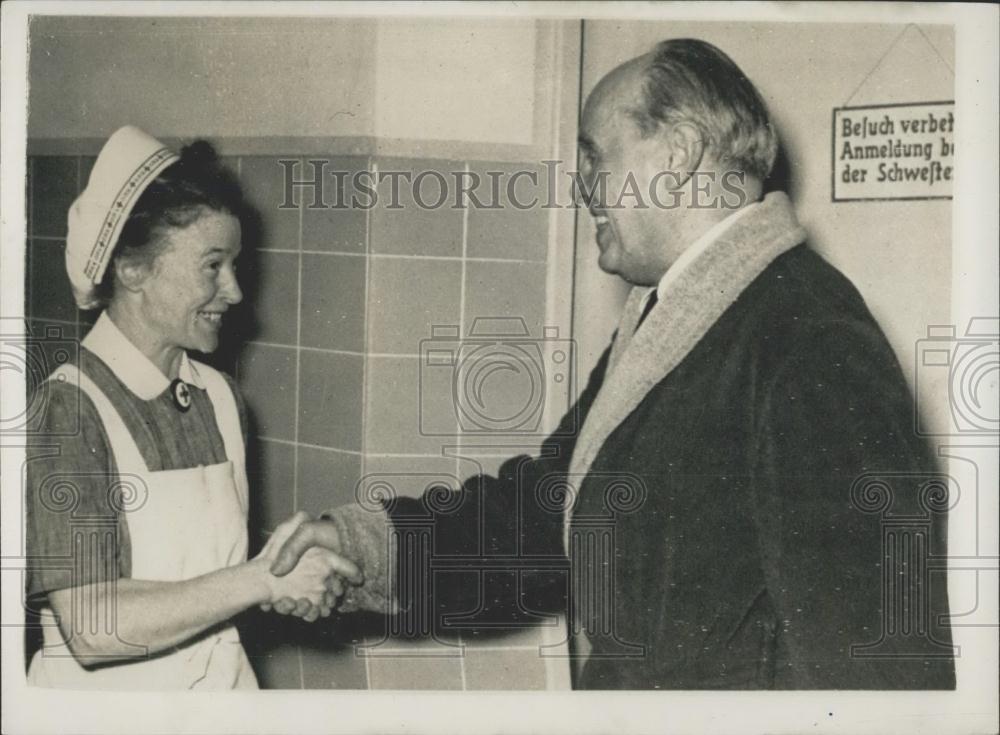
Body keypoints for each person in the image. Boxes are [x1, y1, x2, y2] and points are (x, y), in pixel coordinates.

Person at [268, 39, 955, 689]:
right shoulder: (675, 317)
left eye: (595, 156)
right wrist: (361, 544)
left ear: (679, 154)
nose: (583, 186)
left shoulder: (806, 335)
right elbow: (545, 514)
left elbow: (876, 662)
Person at [24, 126, 360, 690]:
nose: (233, 291)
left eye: (234, 265)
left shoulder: (221, 398)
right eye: (212, 265)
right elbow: (91, 628)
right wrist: (260, 581)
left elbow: (213, 584)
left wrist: (285, 570)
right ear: (133, 271)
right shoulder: (67, 410)